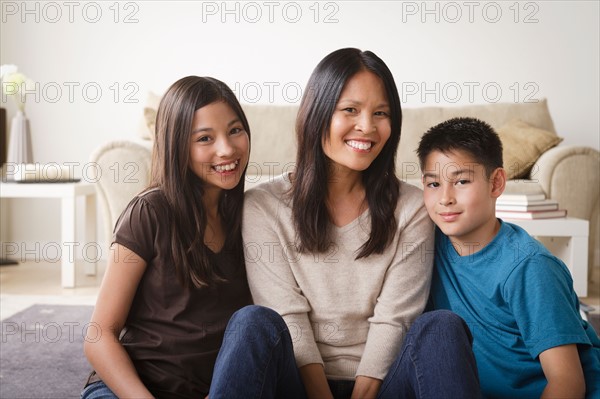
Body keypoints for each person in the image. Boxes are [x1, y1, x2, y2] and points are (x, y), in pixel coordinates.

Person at [216, 48, 481, 399]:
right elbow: (288, 317)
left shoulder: (413, 207)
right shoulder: (263, 206)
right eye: (350, 110)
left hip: (384, 383)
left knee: (442, 326)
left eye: (381, 113)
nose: (367, 127)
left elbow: (394, 319)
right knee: (251, 322)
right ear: (318, 113)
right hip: (296, 381)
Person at [81, 76, 253, 399]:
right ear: (177, 146)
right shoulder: (148, 213)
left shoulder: (251, 219)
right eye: (205, 138)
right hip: (130, 390)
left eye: (235, 130)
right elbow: (99, 334)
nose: (227, 149)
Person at [417, 116, 600, 398]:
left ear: (496, 183)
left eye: (462, 181)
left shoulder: (529, 267)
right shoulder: (426, 242)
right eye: (433, 184)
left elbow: (568, 384)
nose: (445, 198)